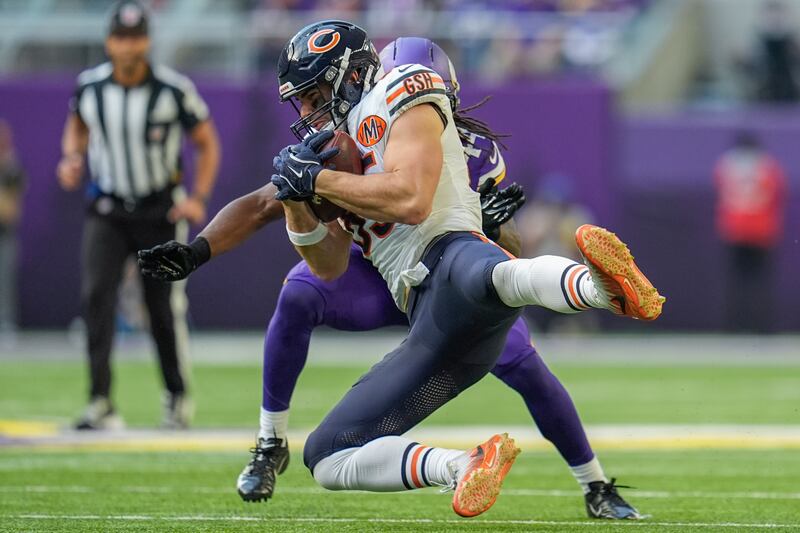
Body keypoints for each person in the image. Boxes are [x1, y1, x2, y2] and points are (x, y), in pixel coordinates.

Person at [142, 22, 663, 518]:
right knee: (323, 437)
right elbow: (307, 246)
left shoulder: (425, 115)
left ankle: (596, 446)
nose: (306, 111)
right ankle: (304, 446)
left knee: (496, 287)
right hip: (384, 278)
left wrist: (322, 182)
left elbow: (431, 209)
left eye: (313, 95)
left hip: (450, 264)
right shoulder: (331, 145)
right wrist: (203, 250)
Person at [56, 0, 221, 430]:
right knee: (96, 298)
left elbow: (207, 141)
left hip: (158, 209)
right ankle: (100, 401)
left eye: (136, 38)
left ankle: (177, 396)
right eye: (121, 38)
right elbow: (77, 124)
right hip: (107, 209)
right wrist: (72, 157)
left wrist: (198, 196)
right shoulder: (90, 87)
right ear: (109, 42)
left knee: (161, 307)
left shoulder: (172, 88)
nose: (128, 47)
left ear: (147, 41)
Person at [713, 131, 787, 333]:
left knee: (737, 281)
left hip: (735, 228)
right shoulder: (767, 165)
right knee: (759, 281)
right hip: (761, 229)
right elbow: (775, 193)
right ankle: (761, 325)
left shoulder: (727, 164)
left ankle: (735, 324)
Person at [0, 120, 26, 343]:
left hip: (3, 235)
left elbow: (10, 211)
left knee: (4, 279)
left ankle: (5, 323)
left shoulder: (12, 169)